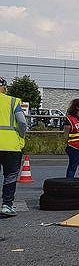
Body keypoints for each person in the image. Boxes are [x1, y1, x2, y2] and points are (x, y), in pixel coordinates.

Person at [0, 77, 28, 217]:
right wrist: (21, 137)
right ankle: (6, 205)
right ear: (4, 88)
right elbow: (22, 123)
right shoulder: (12, 101)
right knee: (10, 175)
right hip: (11, 145)